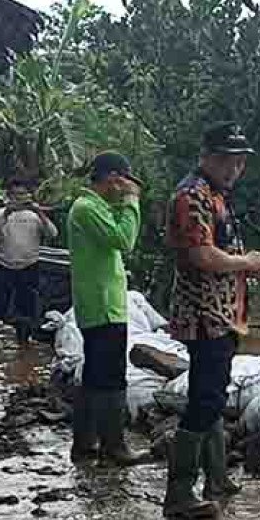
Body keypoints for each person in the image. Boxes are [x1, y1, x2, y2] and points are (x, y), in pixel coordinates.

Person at [161, 122, 260, 520]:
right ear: (206, 156)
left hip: (224, 313)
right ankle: (179, 493)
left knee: (214, 391)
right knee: (206, 397)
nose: (234, 168)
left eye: (240, 161)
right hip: (205, 313)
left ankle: (217, 477)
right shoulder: (192, 196)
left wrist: (245, 264)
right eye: (226, 160)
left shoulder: (215, 194)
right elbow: (202, 256)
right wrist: (249, 262)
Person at [67, 152, 149, 466]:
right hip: (103, 306)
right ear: (113, 178)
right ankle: (114, 447)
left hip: (100, 304)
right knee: (111, 377)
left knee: (94, 375)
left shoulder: (91, 207)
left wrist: (123, 201)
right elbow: (124, 239)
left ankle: (85, 444)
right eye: (124, 181)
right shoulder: (87, 209)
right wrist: (131, 202)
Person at [0, 176, 58, 345]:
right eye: (15, 195)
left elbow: (53, 233)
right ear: (9, 196)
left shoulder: (34, 215)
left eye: (22, 194)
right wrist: (6, 214)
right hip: (4, 266)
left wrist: (40, 212)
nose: (19, 198)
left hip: (29, 267)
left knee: (25, 309)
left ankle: (23, 347)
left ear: (28, 195)